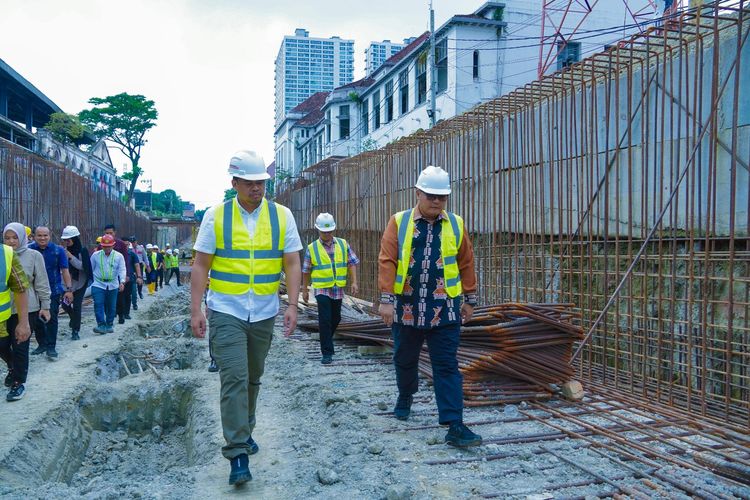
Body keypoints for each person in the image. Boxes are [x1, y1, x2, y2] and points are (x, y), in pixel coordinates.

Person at [190, 150, 302, 486]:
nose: (257, 188)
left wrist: (292, 305)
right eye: (250, 182)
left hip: (264, 310)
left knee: (253, 377)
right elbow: (200, 265)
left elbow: (293, 263)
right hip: (226, 309)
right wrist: (196, 309)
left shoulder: (282, 216)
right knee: (235, 378)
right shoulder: (216, 216)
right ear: (235, 182)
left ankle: (246, 428)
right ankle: (237, 451)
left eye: (262, 182)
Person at [377, 165, 482, 448]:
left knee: (447, 365)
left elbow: (466, 262)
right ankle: (406, 394)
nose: (436, 201)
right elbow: (387, 260)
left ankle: (455, 424)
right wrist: (386, 300)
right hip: (406, 306)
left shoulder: (456, 224)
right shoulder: (399, 222)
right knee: (404, 359)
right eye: (431, 195)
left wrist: (470, 299)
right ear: (418, 193)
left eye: (442, 196)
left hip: (444, 306)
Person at [301, 213, 360, 364]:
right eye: (323, 232)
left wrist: (354, 282)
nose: (327, 234)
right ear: (318, 230)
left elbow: (352, 262)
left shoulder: (342, 244)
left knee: (336, 318)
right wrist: (305, 289)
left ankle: (326, 338)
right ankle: (327, 352)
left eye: (329, 231)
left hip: (337, 288)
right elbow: (306, 270)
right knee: (325, 319)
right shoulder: (312, 248)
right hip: (321, 288)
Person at [1, 224, 48, 401]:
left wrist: (46, 306)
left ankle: (18, 383)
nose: (11, 241)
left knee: (20, 346)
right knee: (3, 344)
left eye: (15, 237)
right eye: (7, 237)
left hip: (29, 309)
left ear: (22, 237)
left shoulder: (34, 256)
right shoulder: (2, 255)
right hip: (4, 309)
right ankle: (12, 366)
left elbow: (42, 283)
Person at [28, 226, 74, 359]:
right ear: (35, 236)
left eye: (45, 235)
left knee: (51, 319)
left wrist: (69, 290)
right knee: (36, 320)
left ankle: (51, 347)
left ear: (50, 235)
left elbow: (65, 271)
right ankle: (42, 344)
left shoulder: (58, 250)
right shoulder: (29, 250)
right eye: (39, 235)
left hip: (52, 291)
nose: (42, 238)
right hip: (33, 291)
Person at [61, 225, 92, 340]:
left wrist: (70, 257)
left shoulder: (82, 251)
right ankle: (73, 319)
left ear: (74, 238)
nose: (66, 242)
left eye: (68, 240)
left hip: (80, 284)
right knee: (65, 305)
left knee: (77, 306)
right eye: (65, 240)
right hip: (67, 284)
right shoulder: (63, 251)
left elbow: (83, 267)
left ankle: (75, 330)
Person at [90, 234, 126, 334]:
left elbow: (122, 269)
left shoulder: (119, 256)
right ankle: (101, 325)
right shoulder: (95, 255)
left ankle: (109, 324)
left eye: (109, 246)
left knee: (111, 306)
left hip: (113, 284)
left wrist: (122, 281)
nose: (106, 248)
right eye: (104, 246)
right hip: (98, 283)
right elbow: (91, 268)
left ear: (113, 245)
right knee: (98, 304)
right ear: (101, 246)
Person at [103, 224, 134, 323]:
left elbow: (125, 260)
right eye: (107, 233)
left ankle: (121, 315)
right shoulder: (102, 244)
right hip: (106, 276)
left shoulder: (120, 244)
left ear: (115, 233)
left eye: (110, 233)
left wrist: (126, 275)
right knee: (106, 298)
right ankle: (110, 316)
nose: (109, 235)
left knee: (120, 296)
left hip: (118, 275)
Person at [118, 241, 142, 324]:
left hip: (129, 279)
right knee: (119, 296)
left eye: (127, 244)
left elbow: (137, 265)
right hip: (118, 279)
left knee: (128, 296)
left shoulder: (132, 254)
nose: (126, 246)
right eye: (124, 244)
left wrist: (139, 276)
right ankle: (118, 313)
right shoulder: (117, 254)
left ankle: (126, 313)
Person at [131, 236, 148, 301]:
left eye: (134, 242)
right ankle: (133, 293)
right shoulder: (130, 249)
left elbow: (145, 257)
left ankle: (140, 292)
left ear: (136, 242)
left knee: (140, 279)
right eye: (132, 242)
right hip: (132, 265)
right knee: (133, 279)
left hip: (140, 265)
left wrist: (147, 265)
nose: (133, 243)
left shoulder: (141, 248)